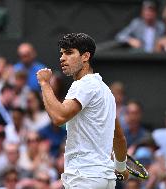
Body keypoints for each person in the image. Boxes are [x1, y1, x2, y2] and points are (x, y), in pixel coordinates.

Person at [36, 33, 128, 188]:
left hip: (84, 176)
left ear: (85, 56)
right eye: (62, 53)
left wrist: (45, 83)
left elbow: (59, 117)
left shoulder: (83, 84)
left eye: (69, 52)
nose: (62, 58)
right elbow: (118, 137)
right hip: (104, 180)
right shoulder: (106, 92)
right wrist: (121, 168)